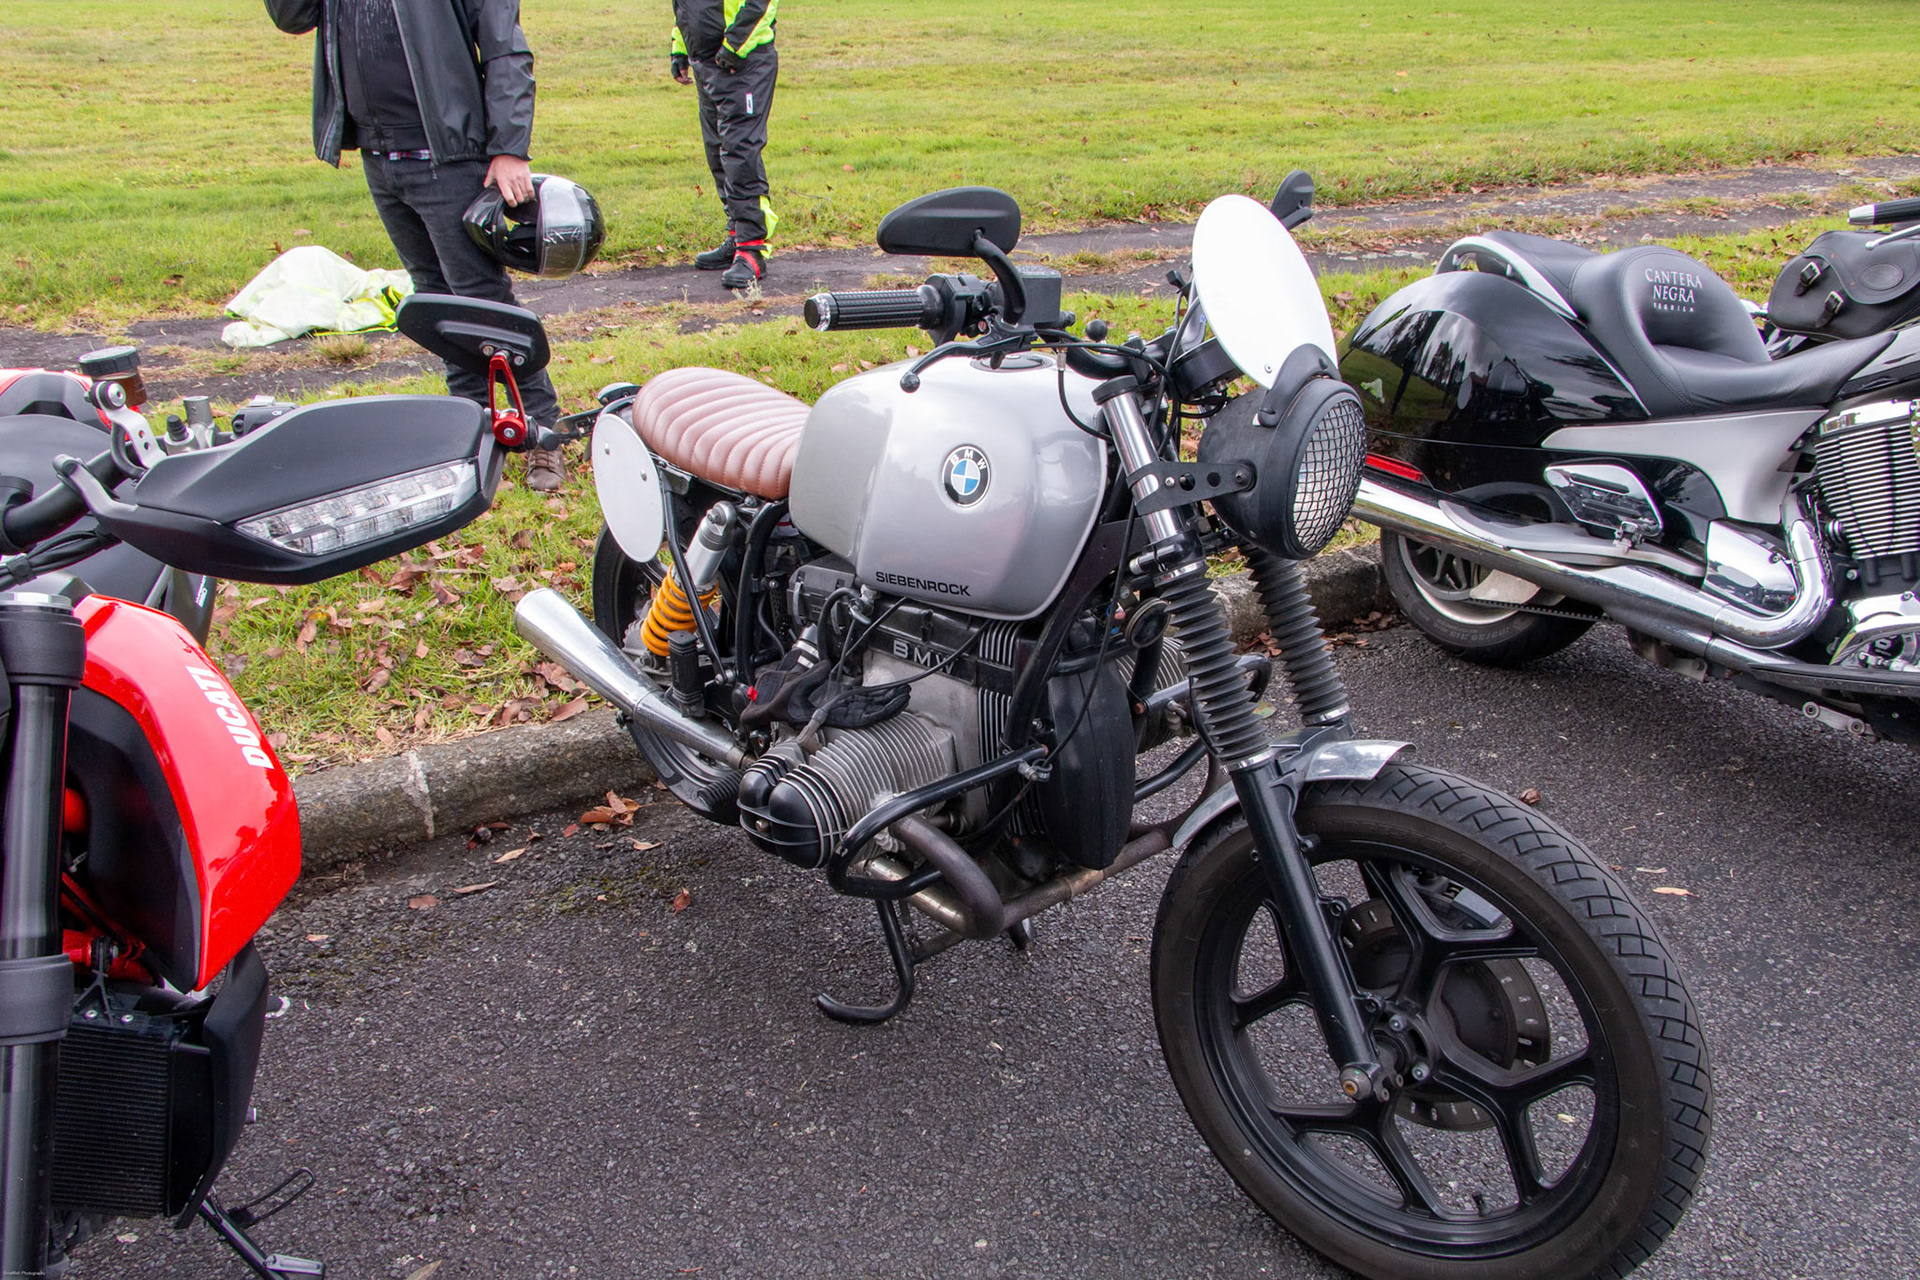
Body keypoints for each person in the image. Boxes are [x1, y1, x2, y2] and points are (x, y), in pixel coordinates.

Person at [264, 0, 570, 491]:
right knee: (435, 301)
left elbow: (505, 49)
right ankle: (470, 430)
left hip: (449, 155)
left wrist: (509, 148)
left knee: (482, 300)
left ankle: (543, 435)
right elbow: (292, 17)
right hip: (379, 156)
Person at [669, 0, 780, 292]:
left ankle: (752, 248)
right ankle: (737, 235)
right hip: (707, 63)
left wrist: (735, 45)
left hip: (744, 61)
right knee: (717, 152)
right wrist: (681, 47)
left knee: (740, 153)